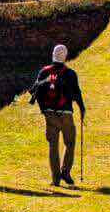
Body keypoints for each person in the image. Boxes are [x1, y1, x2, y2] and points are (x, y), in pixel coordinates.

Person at [28, 43, 85, 187]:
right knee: (70, 143)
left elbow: (34, 89)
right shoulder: (70, 73)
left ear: (52, 54)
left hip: (49, 113)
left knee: (53, 146)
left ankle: (55, 179)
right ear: (65, 56)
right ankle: (65, 172)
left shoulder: (44, 71)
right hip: (66, 112)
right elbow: (76, 94)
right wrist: (82, 109)